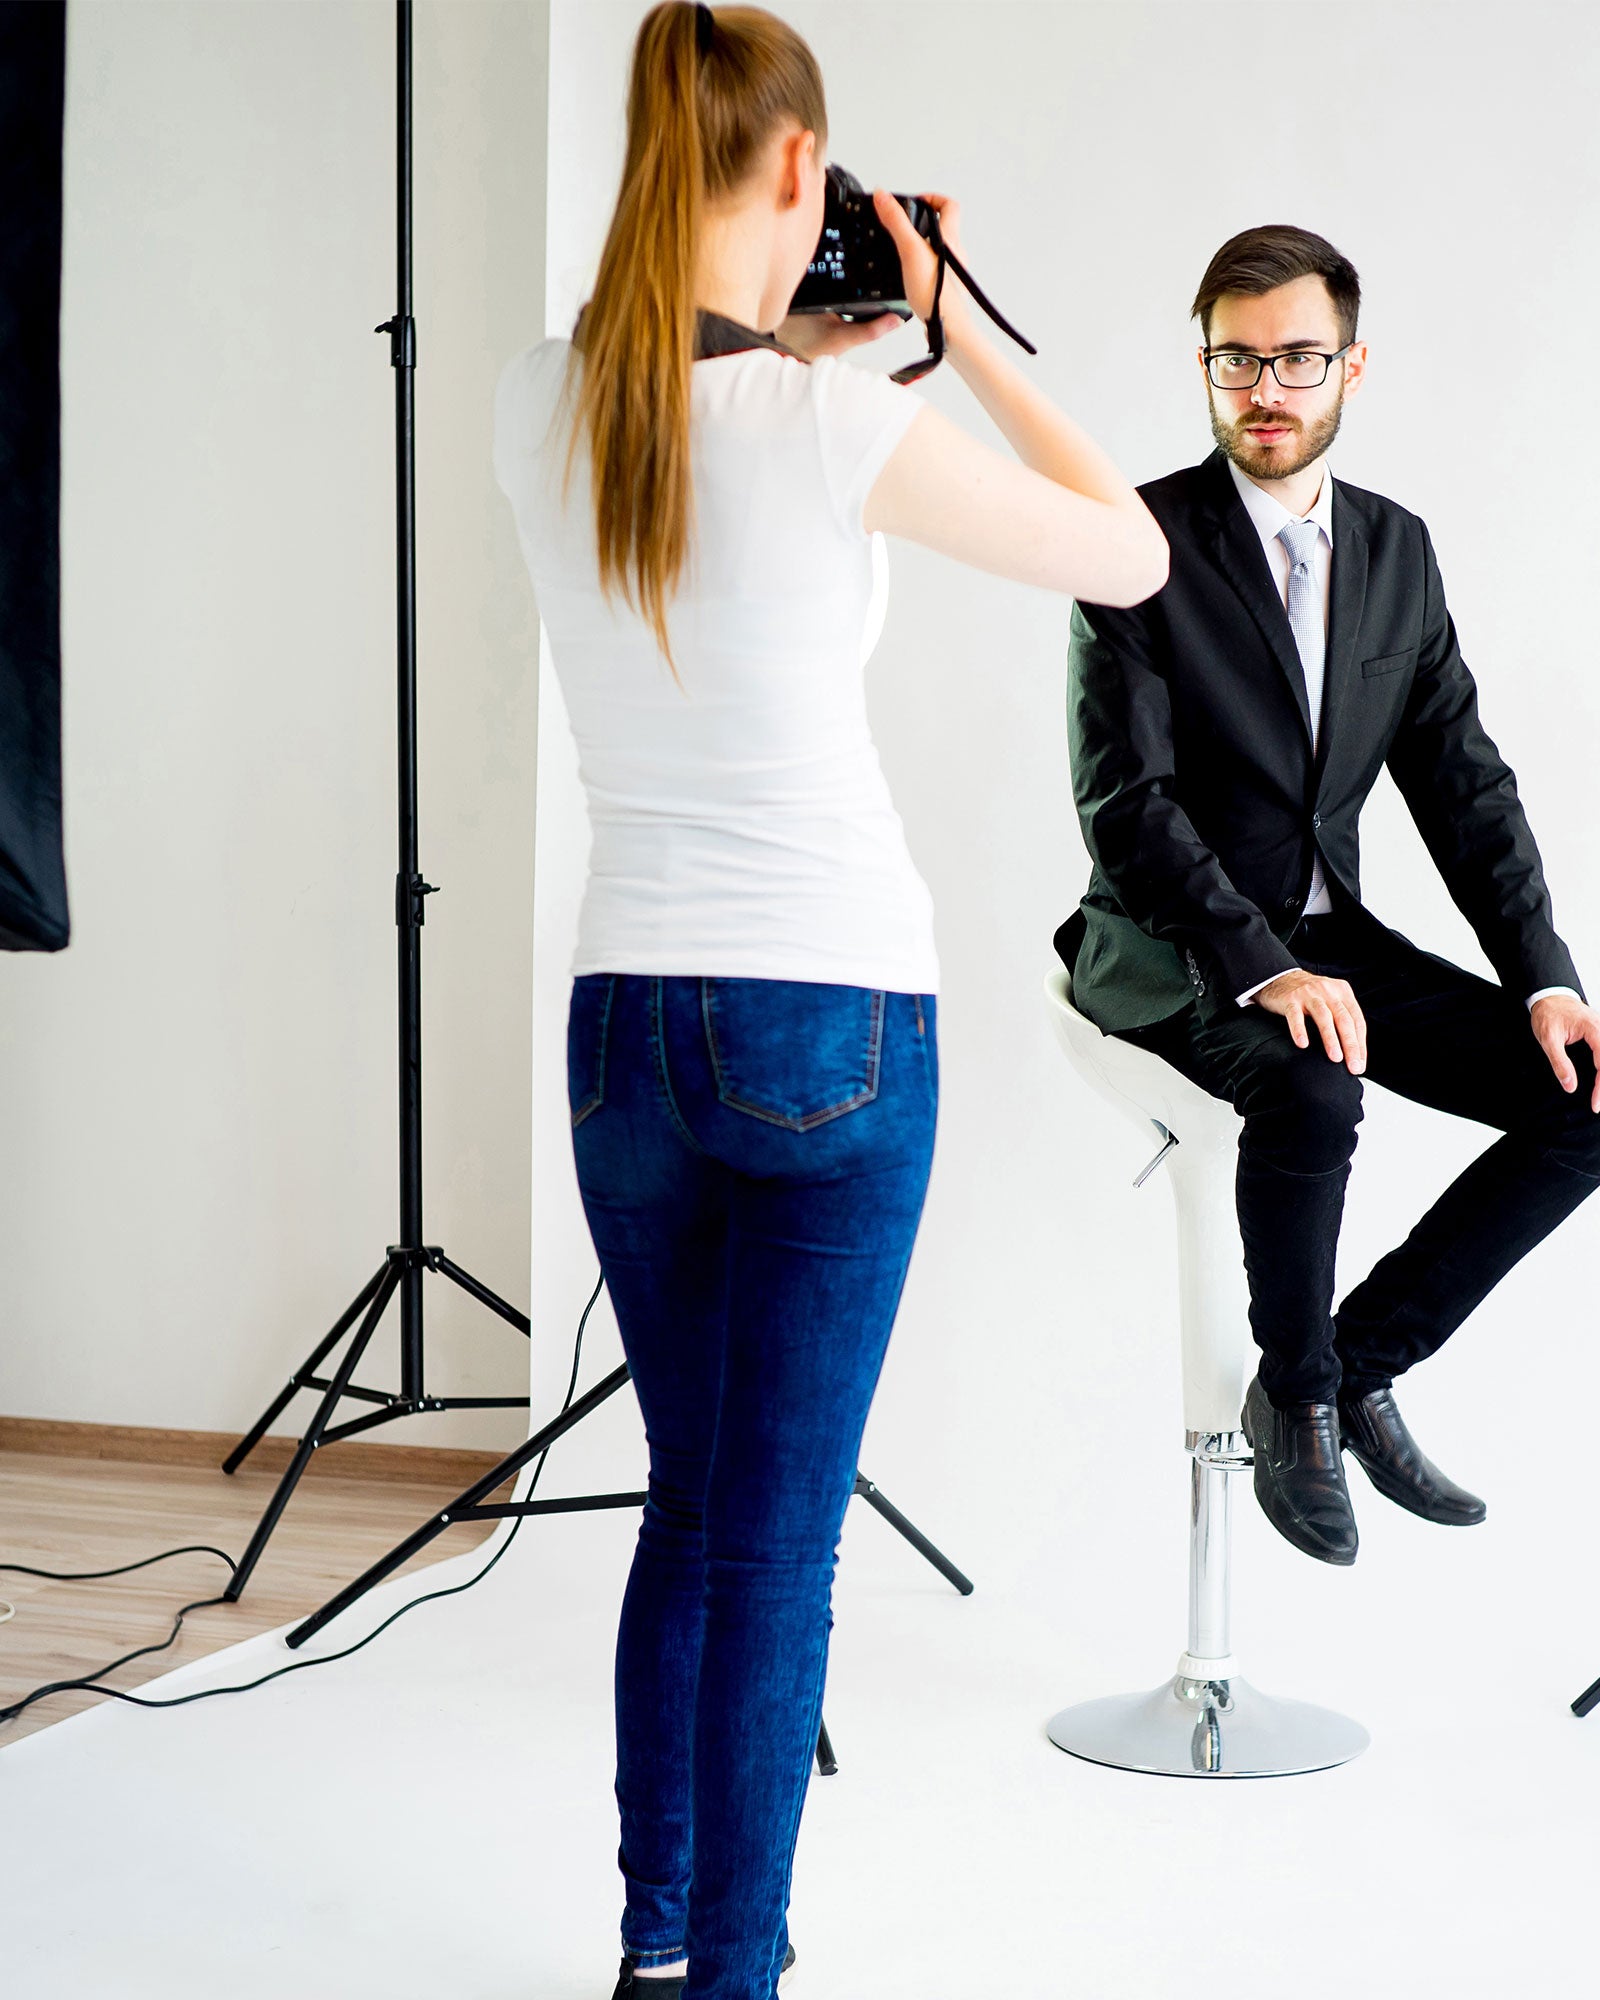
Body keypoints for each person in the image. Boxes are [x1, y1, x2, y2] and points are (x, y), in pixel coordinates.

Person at [493, 7, 1166, 1997]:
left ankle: (659, 1944)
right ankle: (739, 1975)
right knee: (779, 1543)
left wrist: (811, 352)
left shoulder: (543, 405)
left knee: (689, 1509)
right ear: (802, 173)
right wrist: (946, 322)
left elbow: (698, 412)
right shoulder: (838, 426)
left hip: (627, 1026)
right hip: (829, 1025)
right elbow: (1127, 551)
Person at [1055, 224, 1600, 1570]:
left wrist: (1549, 982)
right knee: (1315, 1086)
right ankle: (1304, 1399)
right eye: (1238, 360)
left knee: (1590, 1104)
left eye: (1298, 359)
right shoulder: (1134, 542)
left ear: (1351, 367)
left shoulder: (1397, 553)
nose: (1267, 388)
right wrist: (1265, 968)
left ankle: (1350, 1365)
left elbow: (1464, 782)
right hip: (1169, 944)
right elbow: (1125, 806)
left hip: (1337, 939)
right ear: (1204, 366)